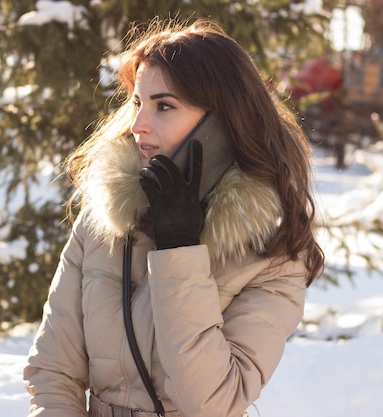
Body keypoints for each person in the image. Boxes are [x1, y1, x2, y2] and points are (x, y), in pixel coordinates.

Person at [23, 18, 324, 417]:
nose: (137, 125)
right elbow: (53, 373)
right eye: (137, 102)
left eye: (164, 106)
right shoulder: (102, 223)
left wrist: (179, 253)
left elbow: (213, 402)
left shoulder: (272, 252)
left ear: (222, 123)